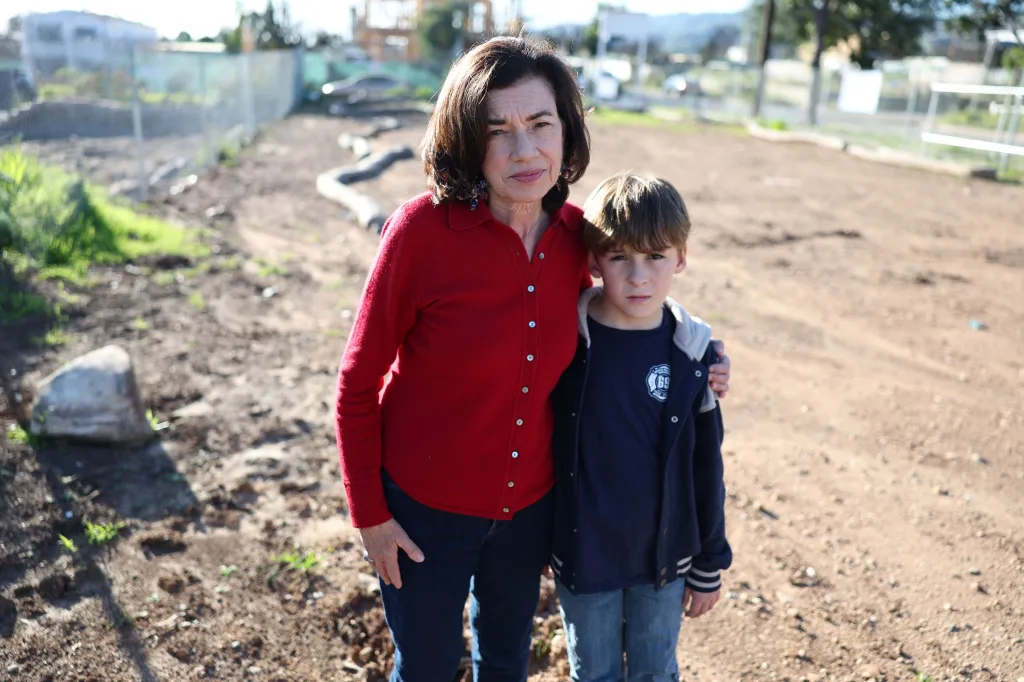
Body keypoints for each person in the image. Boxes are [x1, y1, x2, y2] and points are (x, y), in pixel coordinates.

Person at [334, 37, 732, 682]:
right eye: (498, 131)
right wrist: (372, 519)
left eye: (540, 124)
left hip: (530, 511)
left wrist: (706, 350)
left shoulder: (580, 236)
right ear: (467, 141)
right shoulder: (419, 234)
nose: (525, 151)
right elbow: (356, 383)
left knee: (507, 662)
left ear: (567, 131)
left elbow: (638, 306)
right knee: (428, 667)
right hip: (422, 513)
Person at [549, 172, 732, 682]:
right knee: (595, 674)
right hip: (585, 557)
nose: (638, 277)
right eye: (620, 257)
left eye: (655, 257)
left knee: (655, 673)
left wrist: (709, 559)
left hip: (664, 563)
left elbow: (706, 467)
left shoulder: (692, 357)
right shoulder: (568, 345)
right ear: (592, 261)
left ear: (681, 258)